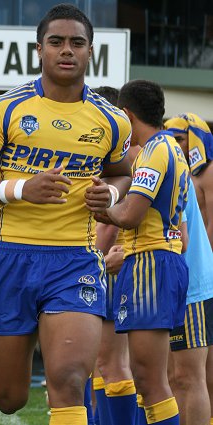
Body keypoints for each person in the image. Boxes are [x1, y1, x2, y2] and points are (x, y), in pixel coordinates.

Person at [0, 3, 132, 423]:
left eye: (77, 42)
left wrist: (110, 192)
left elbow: (123, 174)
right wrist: (19, 189)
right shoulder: (4, 108)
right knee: (9, 397)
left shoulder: (113, 119)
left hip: (75, 261)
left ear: (91, 52)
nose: (66, 50)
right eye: (56, 42)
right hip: (10, 258)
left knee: (69, 379)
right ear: (39, 50)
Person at [91, 79, 190, 425]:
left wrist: (105, 210)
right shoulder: (170, 148)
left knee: (149, 380)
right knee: (147, 378)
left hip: (150, 264)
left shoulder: (153, 152)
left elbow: (130, 216)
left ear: (127, 115)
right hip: (158, 262)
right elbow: (183, 234)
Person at [92, 86, 137, 425]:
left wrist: (98, 263)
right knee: (97, 365)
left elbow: (109, 228)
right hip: (104, 271)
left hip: (111, 273)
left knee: (113, 365)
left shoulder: (123, 165)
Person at [165, 113, 213, 425]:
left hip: (200, 279)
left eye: (180, 138)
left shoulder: (208, 175)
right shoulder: (187, 174)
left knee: (197, 375)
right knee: (178, 375)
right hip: (190, 277)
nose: (175, 144)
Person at [165, 113, 213, 249]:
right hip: (182, 250)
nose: (175, 145)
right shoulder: (179, 171)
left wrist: (206, 259)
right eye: (171, 140)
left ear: (195, 140)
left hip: (203, 257)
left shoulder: (210, 171)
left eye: (179, 139)